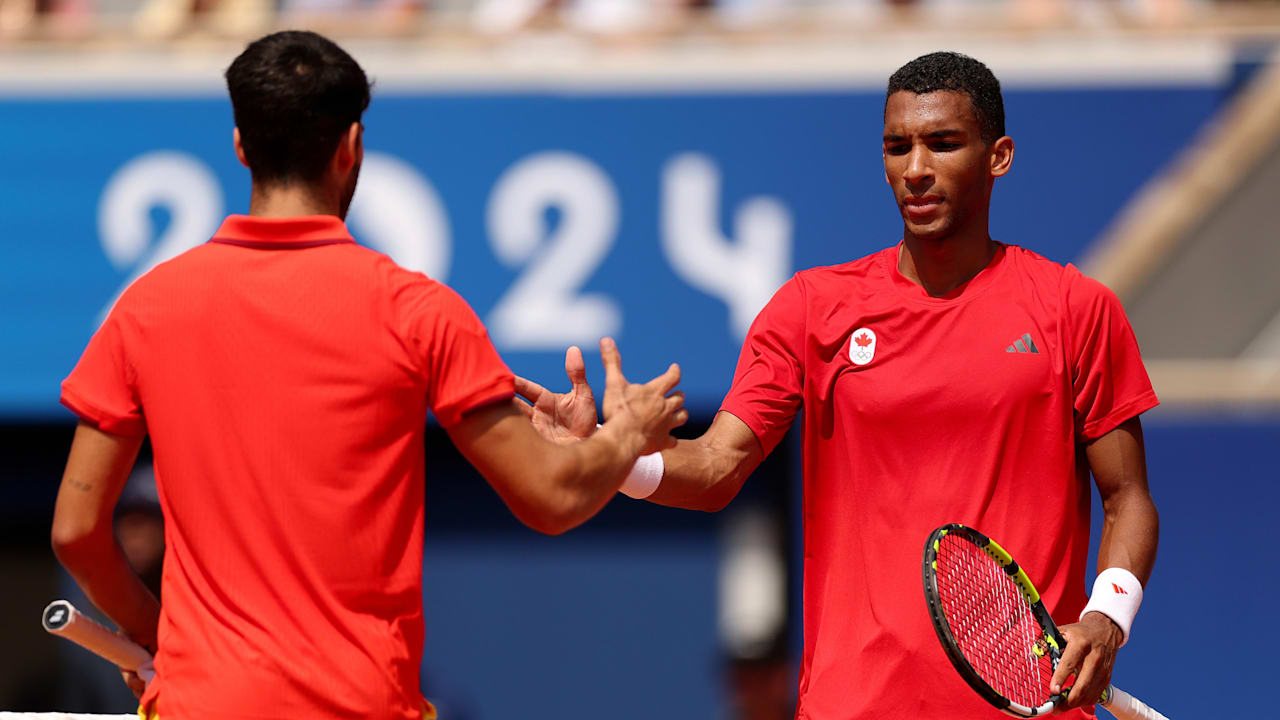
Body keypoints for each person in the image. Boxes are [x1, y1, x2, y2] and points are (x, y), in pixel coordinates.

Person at [50, 30, 687, 720]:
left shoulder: (146, 307)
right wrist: (628, 432)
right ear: (352, 145)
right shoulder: (417, 311)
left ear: (241, 146)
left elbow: (76, 533)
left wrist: (159, 640)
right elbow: (552, 497)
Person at [517, 51, 1160, 719]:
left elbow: (1128, 497)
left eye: (942, 144)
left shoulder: (1073, 309)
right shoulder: (811, 308)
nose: (915, 170)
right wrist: (606, 452)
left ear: (998, 156)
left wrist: (1107, 617)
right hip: (852, 705)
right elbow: (716, 467)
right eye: (897, 147)